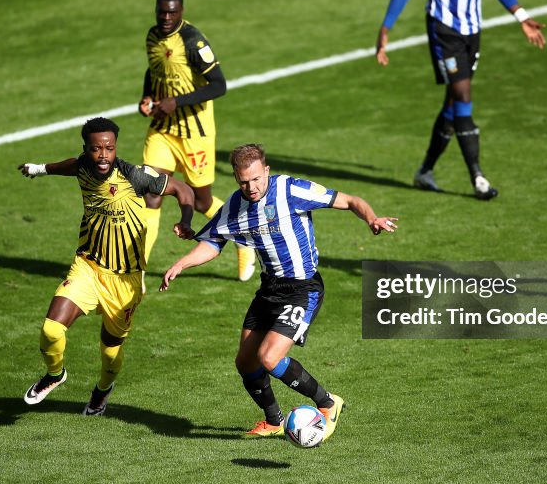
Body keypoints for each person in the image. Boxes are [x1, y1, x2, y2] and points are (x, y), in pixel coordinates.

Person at [159, 143, 398, 438]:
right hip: (269, 289)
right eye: (244, 182)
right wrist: (181, 264)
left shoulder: (290, 190)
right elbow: (212, 242)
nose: (252, 187)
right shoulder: (235, 205)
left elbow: (349, 200)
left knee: (269, 358)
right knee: (245, 362)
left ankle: (327, 402)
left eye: (257, 179)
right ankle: (274, 421)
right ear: (236, 178)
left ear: (266, 171)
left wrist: (371, 218)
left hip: (303, 289)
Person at [375, 0, 545, 200]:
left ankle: (425, 171)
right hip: (444, 30)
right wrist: (386, 28)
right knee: (463, 94)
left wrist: (521, 16)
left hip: (472, 30)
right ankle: (478, 178)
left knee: (453, 103)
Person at [17, 117, 196, 414]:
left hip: (125, 280)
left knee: (110, 350)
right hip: (88, 266)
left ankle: (103, 389)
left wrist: (186, 221)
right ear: (86, 149)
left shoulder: (136, 176)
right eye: (96, 149)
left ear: (115, 148)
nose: (103, 155)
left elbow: (183, 190)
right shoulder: (83, 166)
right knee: (51, 330)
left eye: (109, 149)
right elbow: (67, 166)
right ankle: (54, 374)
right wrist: (39, 169)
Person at [139, 0, 256, 281]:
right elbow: (154, 69)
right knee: (152, 193)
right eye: (161, 12)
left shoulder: (193, 41)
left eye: (172, 12)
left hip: (195, 133)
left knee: (202, 202)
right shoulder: (153, 37)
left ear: (181, 12)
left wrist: (175, 102)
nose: (166, 17)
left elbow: (219, 85)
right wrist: (147, 96)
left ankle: (243, 240)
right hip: (163, 130)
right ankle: (136, 269)